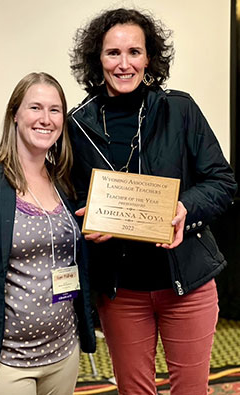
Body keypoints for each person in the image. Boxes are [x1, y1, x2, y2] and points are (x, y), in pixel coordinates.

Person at [68, 8, 237, 395]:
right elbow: (72, 197)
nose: (124, 63)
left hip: (188, 284)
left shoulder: (180, 110)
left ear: (149, 58)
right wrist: (87, 221)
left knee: (191, 391)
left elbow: (222, 182)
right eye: (113, 53)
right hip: (122, 291)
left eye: (134, 52)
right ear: (98, 59)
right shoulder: (77, 125)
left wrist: (184, 209)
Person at [0, 72, 96, 395]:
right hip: (4, 362)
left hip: (63, 352)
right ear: (15, 115)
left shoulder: (64, 182)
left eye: (55, 110)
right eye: (35, 107)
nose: (46, 119)